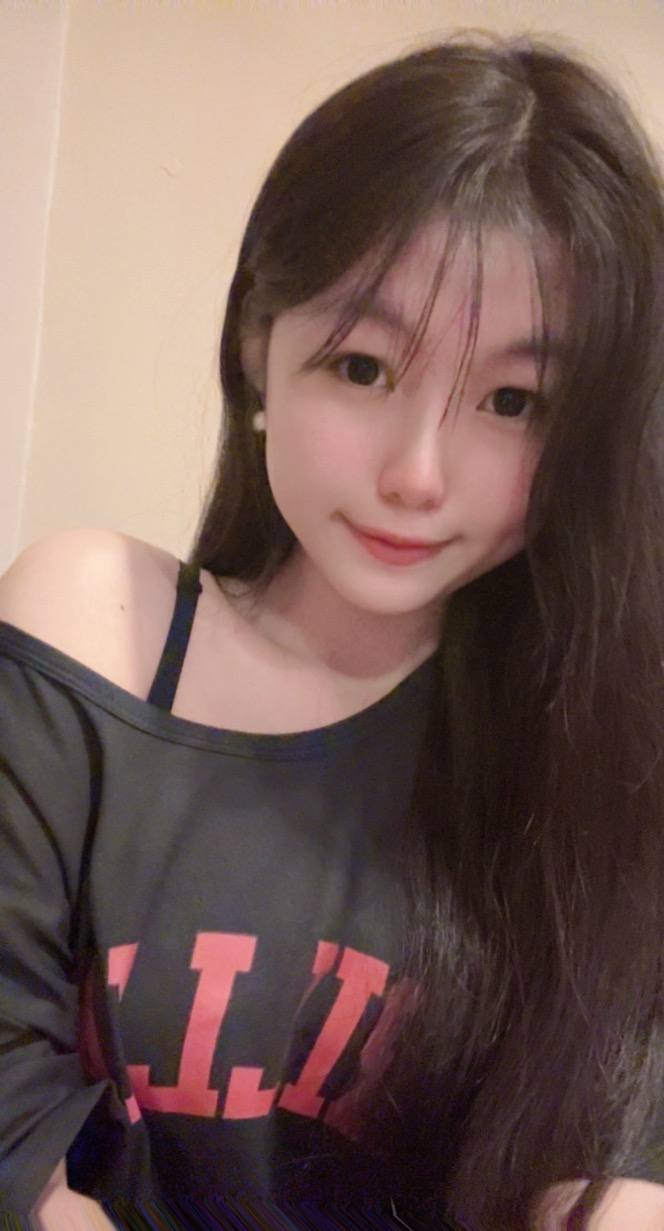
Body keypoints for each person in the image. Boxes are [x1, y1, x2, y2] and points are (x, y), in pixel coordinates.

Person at [1, 31, 664, 1231]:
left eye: (513, 401)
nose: (418, 472)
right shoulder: (99, 630)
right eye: (362, 367)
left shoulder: (598, 768)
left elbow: (613, 1169)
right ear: (257, 351)